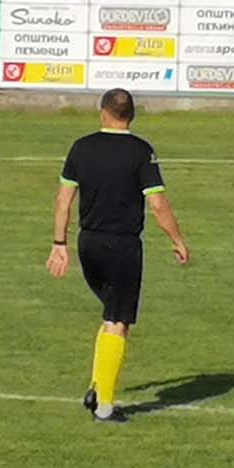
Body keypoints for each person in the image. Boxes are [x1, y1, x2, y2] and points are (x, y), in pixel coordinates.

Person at [47, 89, 191, 422]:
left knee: (111, 314)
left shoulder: (81, 147)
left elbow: (63, 201)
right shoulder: (141, 151)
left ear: (102, 112)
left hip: (88, 243)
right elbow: (157, 204)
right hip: (123, 247)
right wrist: (177, 240)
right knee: (118, 320)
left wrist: (59, 244)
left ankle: (97, 386)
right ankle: (104, 407)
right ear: (132, 115)